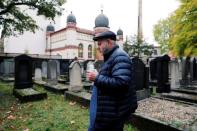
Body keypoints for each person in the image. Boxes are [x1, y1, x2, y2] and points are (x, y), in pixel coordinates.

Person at [87, 31, 137, 131]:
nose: (98, 47)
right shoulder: (112, 57)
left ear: (109, 42)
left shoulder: (120, 56)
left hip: (113, 115)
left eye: (100, 43)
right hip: (108, 111)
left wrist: (97, 78)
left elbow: (121, 83)